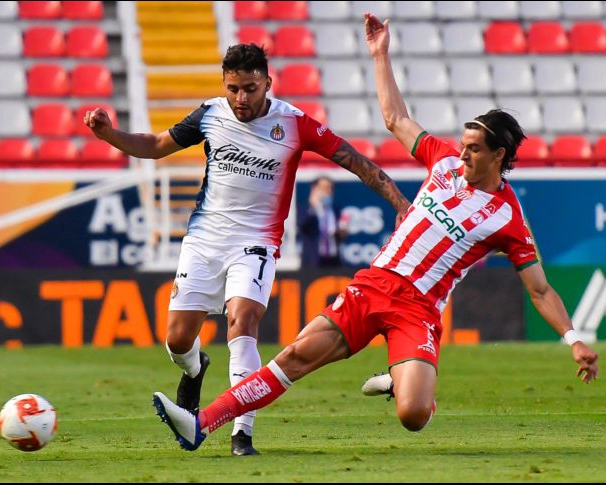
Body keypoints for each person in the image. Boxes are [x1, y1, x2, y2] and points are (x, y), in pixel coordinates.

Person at [149, 14, 599, 454]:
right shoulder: (443, 160)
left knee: (413, 415)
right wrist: (380, 55)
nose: (462, 154)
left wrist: (573, 339)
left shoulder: (507, 218)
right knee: (294, 357)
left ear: (498, 155)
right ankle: (200, 424)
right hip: (373, 285)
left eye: (474, 149)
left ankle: (402, 381)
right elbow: (395, 117)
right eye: (463, 145)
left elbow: (540, 290)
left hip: (419, 309)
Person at [84, 43, 410, 456]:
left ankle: (242, 432)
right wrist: (109, 134)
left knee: (243, 321)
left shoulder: (294, 123)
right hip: (204, 240)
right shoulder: (210, 114)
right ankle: (195, 368)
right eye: (233, 88)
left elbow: (356, 162)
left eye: (250, 89)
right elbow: (155, 144)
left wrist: (401, 204)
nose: (240, 98)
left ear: (267, 84)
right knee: (178, 340)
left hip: (256, 242)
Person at [298, 176, 349, 267]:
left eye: (330, 188)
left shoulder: (336, 209)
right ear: (314, 189)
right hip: (313, 261)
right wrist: (314, 206)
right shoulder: (306, 209)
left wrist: (342, 232)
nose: (327, 191)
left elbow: (341, 236)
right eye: (324, 187)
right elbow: (303, 227)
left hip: (333, 260)